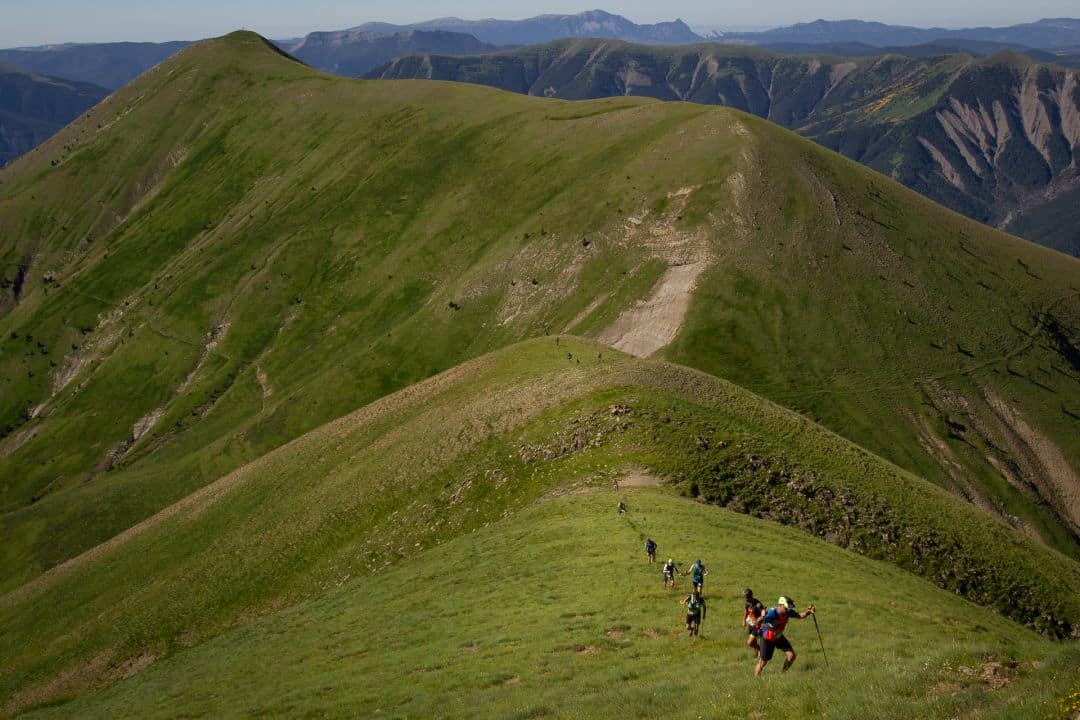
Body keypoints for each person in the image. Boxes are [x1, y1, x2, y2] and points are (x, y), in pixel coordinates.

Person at [755, 596, 815, 676]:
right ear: (780, 605)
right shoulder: (771, 613)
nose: (788, 609)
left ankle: (782, 674)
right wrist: (762, 616)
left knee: (791, 656)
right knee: (763, 662)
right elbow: (757, 623)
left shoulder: (788, 612)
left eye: (789, 608)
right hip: (767, 638)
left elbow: (799, 615)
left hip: (778, 637)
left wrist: (808, 612)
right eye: (786, 608)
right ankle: (756, 679)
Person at [742, 588, 765, 656]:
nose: (745, 599)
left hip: (757, 626)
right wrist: (743, 620)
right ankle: (757, 653)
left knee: (750, 642)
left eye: (746, 597)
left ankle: (760, 650)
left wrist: (759, 619)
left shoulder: (758, 604)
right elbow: (746, 611)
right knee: (754, 642)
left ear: (750, 596)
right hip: (751, 625)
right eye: (744, 597)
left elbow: (763, 614)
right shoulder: (747, 603)